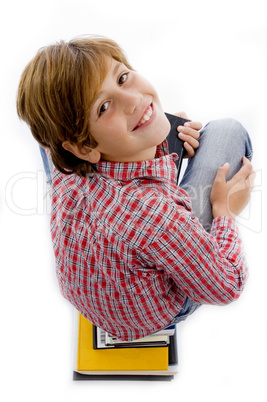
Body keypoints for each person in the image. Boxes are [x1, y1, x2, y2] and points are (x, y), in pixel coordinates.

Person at [17, 36, 254, 341]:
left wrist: (159, 134)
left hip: (92, 288)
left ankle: (120, 126)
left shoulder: (64, 159)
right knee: (228, 131)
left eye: (122, 77)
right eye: (104, 107)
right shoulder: (158, 215)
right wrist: (225, 211)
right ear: (83, 148)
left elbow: (58, 140)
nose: (134, 101)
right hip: (148, 316)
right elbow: (226, 285)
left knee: (51, 131)